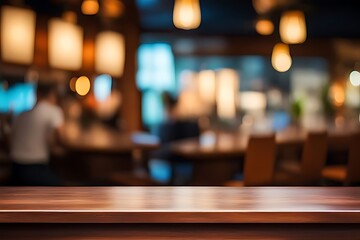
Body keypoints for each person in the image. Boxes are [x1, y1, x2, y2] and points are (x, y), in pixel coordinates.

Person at [10, 82, 64, 186]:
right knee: (63, 192)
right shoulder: (54, 111)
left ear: (36, 94)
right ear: (52, 95)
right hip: (36, 169)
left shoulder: (21, 114)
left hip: (15, 168)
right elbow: (60, 138)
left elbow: (10, 140)